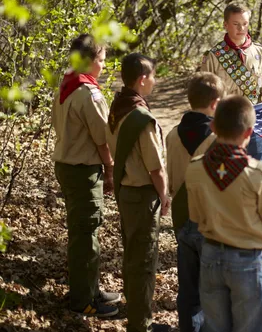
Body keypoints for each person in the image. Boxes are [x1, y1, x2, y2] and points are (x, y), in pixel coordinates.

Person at [185, 95, 262, 332]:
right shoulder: (260, 173)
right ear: (249, 133)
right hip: (247, 258)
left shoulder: (194, 169)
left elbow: (196, 216)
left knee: (214, 327)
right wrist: (260, 248)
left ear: (213, 126)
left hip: (211, 256)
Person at [200, 1, 262, 259]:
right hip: (224, 127)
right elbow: (203, 96)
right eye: (236, 24)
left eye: (245, 24)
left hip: (253, 126)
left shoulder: (259, 53)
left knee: (256, 180)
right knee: (228, 180)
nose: (241, 29)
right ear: (226, 24)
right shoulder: (213, 57)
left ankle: (257, 237)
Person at [52, 33, 120, 317]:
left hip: (67, 166)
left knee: (82, 232)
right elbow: (102, 140)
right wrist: (110, 170)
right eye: (102, 60)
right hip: (83, 171)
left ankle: (90, 289)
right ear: (90, 61)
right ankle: (83, 301)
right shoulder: (88, 94)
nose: (104, 66)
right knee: (86, 235)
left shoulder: (66, 85)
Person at [106, 53, 170, 332]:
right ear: (142, 79)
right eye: (153, 76)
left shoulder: (117, 107)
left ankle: (134, 313)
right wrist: (165, 195)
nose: (155, 82)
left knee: (132, 255)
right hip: (143, 196)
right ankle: (140, 324)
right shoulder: (142, 118)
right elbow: (155, 168)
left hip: (125, 192)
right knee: (144, 262)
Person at [165, 72, 225, 332]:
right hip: (209, 220)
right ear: (215, 103)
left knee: (188, 289)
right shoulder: (220, 139)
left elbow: (170, 178)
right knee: (214, 290)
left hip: (181, 216)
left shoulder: (172, 135)